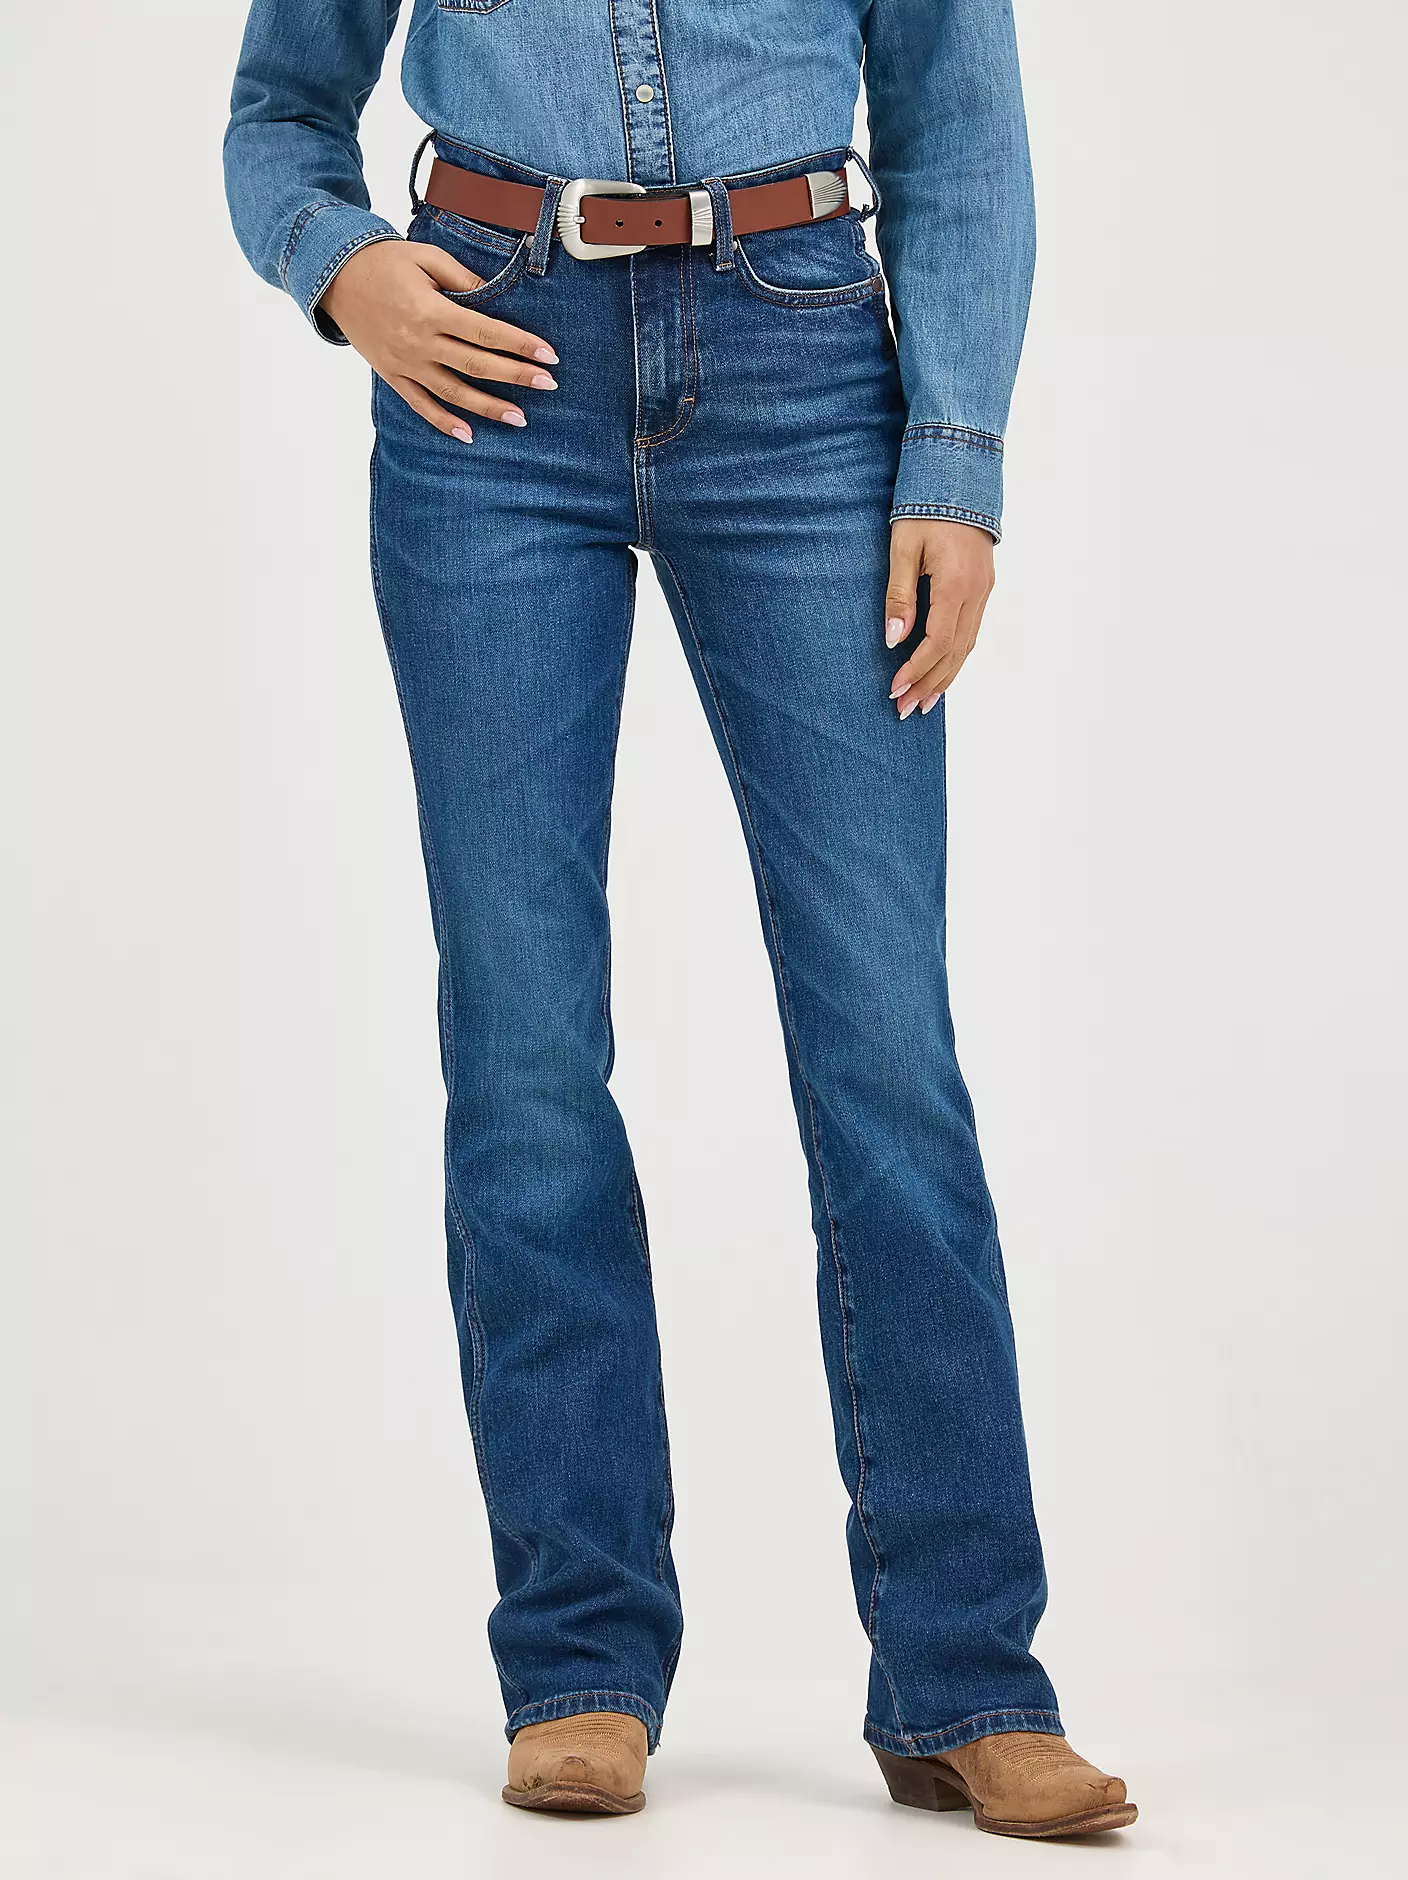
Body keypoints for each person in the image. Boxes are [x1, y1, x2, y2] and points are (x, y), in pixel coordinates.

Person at [224, 0, 1134, 1839]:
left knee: (886, 1048)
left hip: (807, 371)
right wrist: (343, 270)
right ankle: (577, 1662)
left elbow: (958, 123)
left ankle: (967, 1674)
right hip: (487, 375)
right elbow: (277, 112)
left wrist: (958, 457)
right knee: (525, 1045)